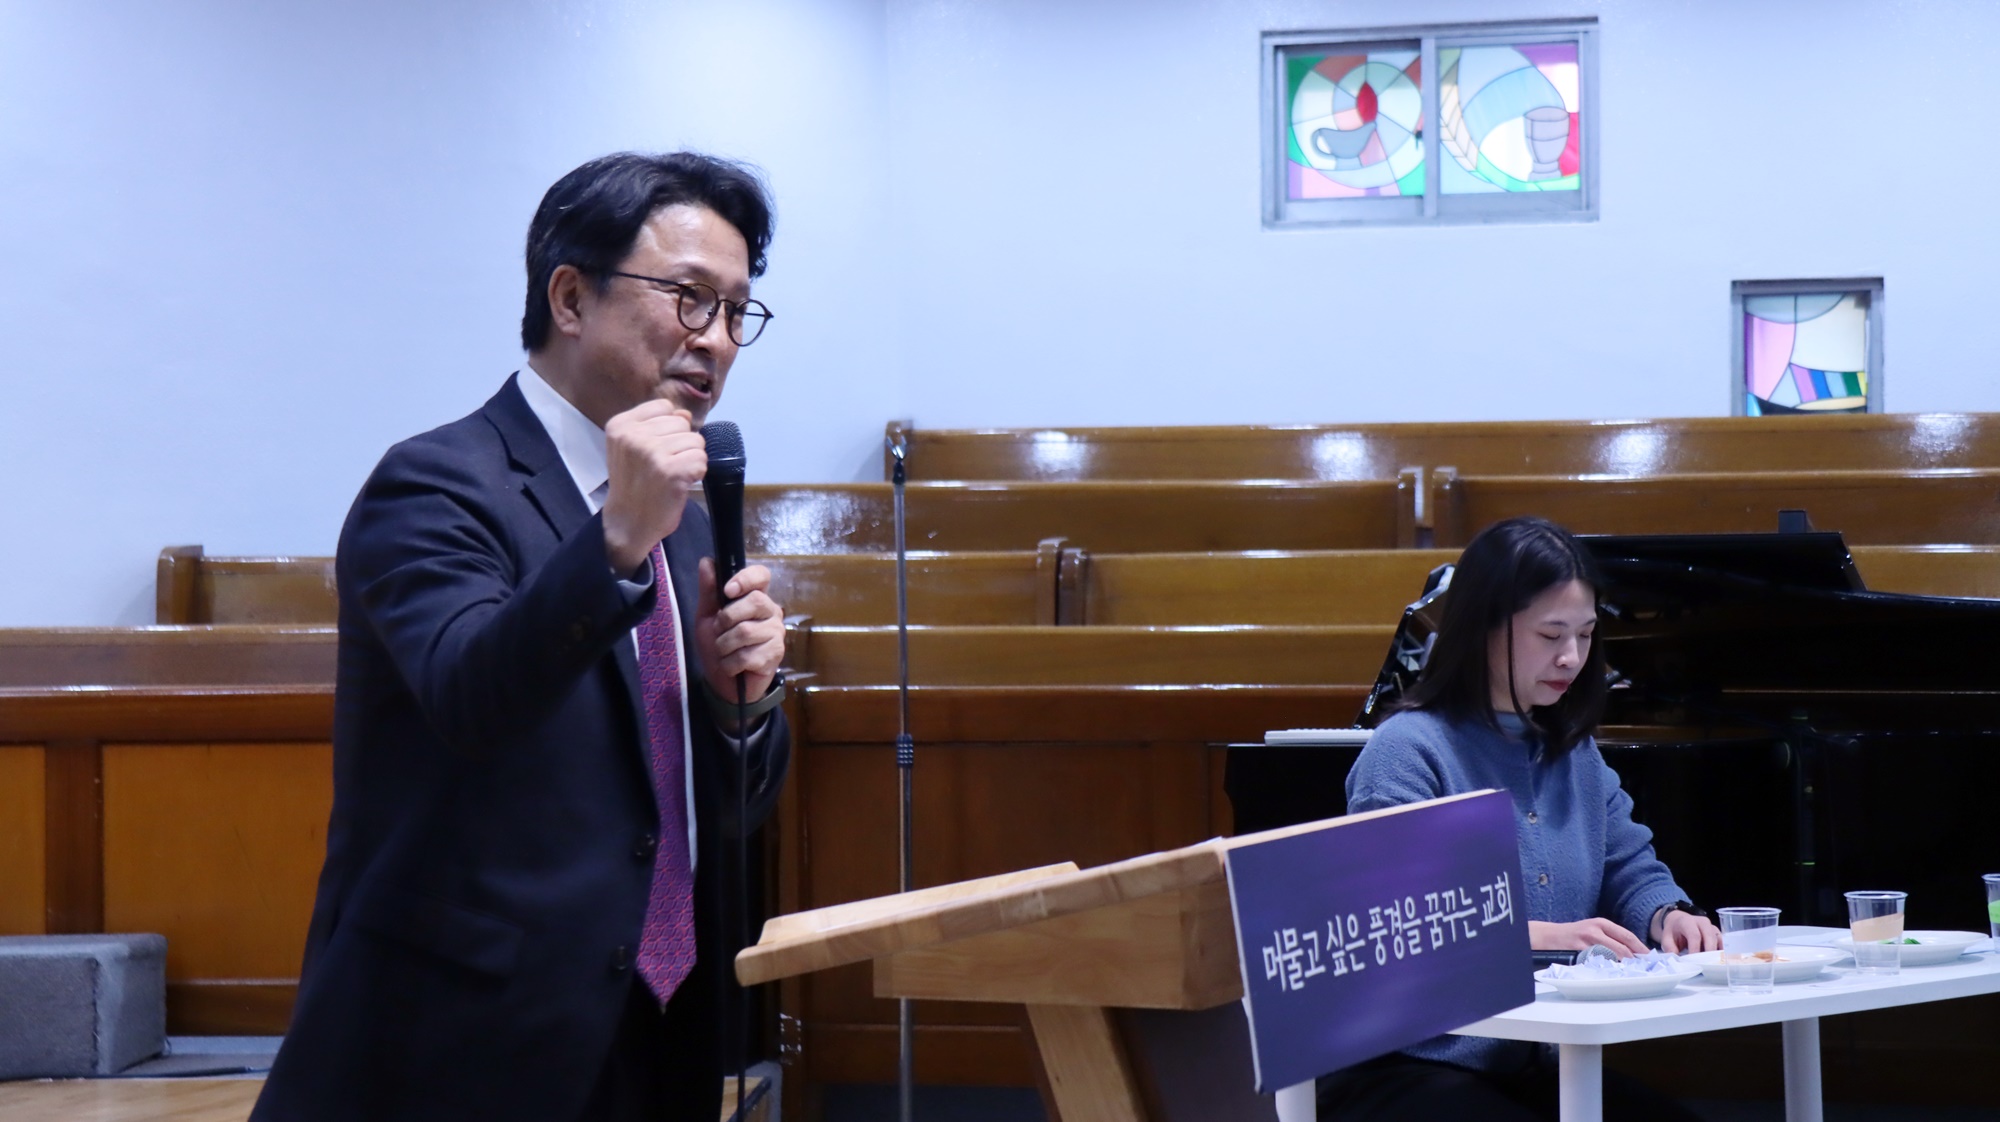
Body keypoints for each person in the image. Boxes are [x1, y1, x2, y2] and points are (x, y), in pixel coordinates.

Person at [252, 152, 791, 1122]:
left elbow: (712, 809)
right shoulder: (435, 487)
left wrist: (734, 700)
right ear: (571, 297)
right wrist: (614, 543)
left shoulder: (683, 519)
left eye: (735, 311)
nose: (715, 341)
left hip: (656, 1030)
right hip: (460, 1048)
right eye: (688, 298)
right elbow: (470, 695)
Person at [1319, 516, 1721, 1122]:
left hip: (1525, 1057)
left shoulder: (1573, 752)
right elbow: (1401, 924)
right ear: (1483, 628)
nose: (1572, 657)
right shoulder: (1407, 751)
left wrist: (1668, 914)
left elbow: (1629, 866)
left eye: (1586, 634)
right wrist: (1550, 936)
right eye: (1550, 634)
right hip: (1407, 1063)